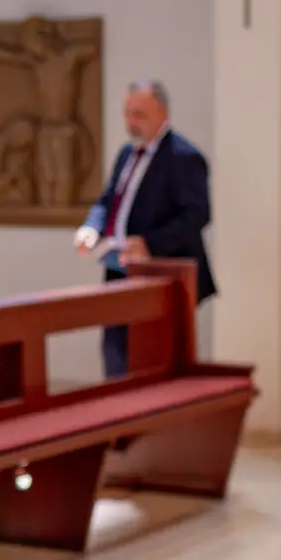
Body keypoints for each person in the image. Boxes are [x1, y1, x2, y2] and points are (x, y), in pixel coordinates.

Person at [74, 79, 214, 378]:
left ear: (162, 112)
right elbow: (107, 201)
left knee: (155, 361)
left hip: (162, 274)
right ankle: (118, 417)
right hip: (118, 268)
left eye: (139, 115)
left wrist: (149, 243)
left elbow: (197, 215)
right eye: (127, 114)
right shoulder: (127, 153)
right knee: (115, 353)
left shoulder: (183, 157)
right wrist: (91, 228)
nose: (131, 123)